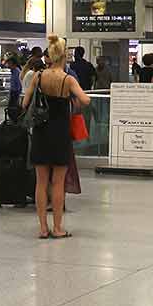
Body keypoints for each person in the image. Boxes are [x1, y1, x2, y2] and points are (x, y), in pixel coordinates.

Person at [23, 36, 91, 239]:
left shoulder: (38, 76)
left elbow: (25, 103)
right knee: (58, 182)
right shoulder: (67, 79)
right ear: (64, 56)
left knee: (41, 182)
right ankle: (58, 227)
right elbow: (85, 100)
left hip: (41, 132)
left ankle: (43, 228)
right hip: (60, 133)